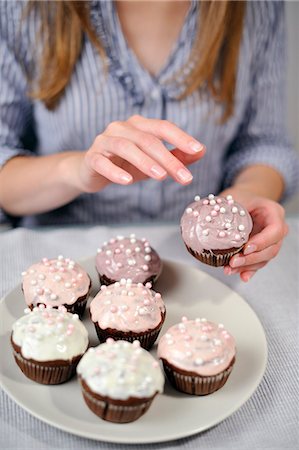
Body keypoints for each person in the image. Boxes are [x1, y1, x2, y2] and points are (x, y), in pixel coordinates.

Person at [0, 0, 298, 282]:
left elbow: (263, 145)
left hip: (202, 273)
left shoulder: (255, 8)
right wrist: (76, 171)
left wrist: (249, 192)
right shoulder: (22, 10)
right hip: (56, 254)